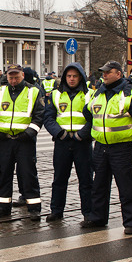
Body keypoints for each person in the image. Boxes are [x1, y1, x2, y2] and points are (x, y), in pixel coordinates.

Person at [81, 61, 132, 233]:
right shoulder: (99, 92)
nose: (104, 75)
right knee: (99, 186)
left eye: (107, 72)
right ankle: (98, 218)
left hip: (121, 147)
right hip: (101, 146)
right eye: (103, 72)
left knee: (127, 187)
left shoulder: (131, 92)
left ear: (118, 74)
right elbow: (88, 112)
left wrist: (130, 104)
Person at [0, 64, 44, 220]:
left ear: (22, 76)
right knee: (4, 174)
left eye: (16, 77)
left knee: (28, 174)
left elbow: (39, 116)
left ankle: (34, 208)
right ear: (7, 77)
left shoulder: (33, 91)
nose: (13, 80)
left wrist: (29, 133)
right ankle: (4, 207)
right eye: (11, 77)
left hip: (25, 141)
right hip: (5, 140)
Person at [43, 62, 93, 222]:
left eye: (75, 76)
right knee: (59, 179)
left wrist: (82, 134)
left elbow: (95, 119)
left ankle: (88, 213)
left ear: (81, 77)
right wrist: (60, 133)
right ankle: (56, 211)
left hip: (82, 143)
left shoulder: (90, 94)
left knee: (86, 180)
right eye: (69, 76)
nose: (72, 79)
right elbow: (48, 117)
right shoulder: (56, 95)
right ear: (65, 77)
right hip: (62, 142)